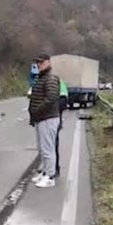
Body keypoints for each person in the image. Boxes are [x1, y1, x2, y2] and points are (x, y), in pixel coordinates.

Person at [29, 53, 60, 188]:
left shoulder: (51, 78)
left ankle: (50, 176)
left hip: (48, 117)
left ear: (48, 62)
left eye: (41, 62)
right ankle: (45, 172)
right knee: (42, 149)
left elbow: (51, 98)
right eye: (37, 62)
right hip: (41, 118)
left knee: (48, 149)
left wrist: (37, 110)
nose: (39, 65)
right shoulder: (40, 78)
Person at [55, 78, 69, 177]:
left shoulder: (57, 81)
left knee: (52, 144)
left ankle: (55, 168)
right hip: (50, 118)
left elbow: (62, 102)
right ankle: (50, 168)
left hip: (52, 118)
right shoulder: (58, 81)